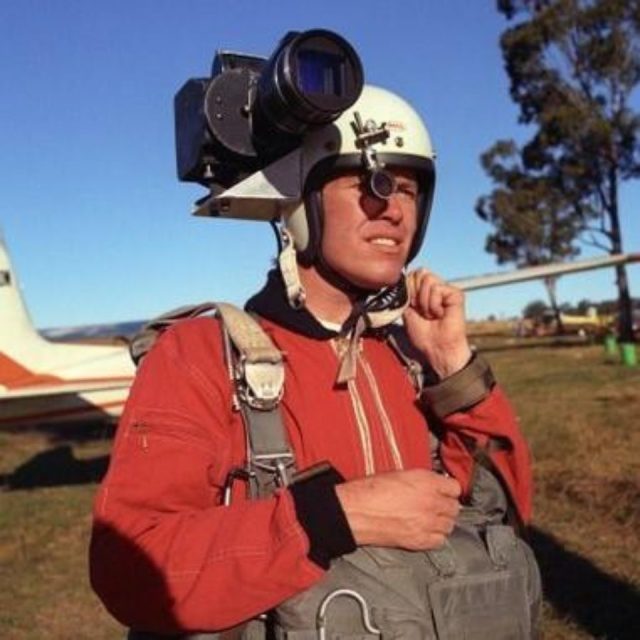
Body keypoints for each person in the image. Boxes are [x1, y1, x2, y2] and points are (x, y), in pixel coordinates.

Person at [90, 85, 540, 638]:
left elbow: (505, 516)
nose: (394, 209)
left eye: (408, 188)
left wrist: (454, 365)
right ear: (300, 205)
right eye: (368, 182)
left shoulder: (411, 356)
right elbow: (131, 568)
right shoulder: (200, 356)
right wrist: (327, 520)